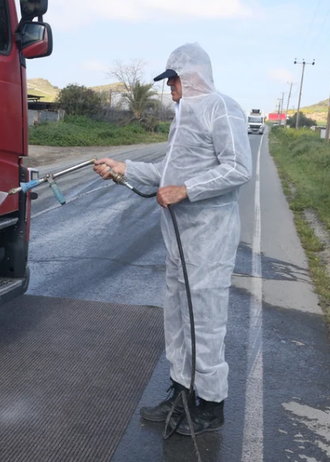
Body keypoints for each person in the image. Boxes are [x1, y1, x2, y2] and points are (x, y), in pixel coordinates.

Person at [94, 43, 253, 435]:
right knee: (179, 320)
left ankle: (211, 407)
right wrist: (123, 168)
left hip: (209, 239)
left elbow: (238, 168)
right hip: (180, 241)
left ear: (192, 76)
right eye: (168, 82)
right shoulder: (180, 119)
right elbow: (166, 172)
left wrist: (186, 190)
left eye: (174, 80)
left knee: (206, 323)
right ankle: (181, 394)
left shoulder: (222, 107)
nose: (170, 89)